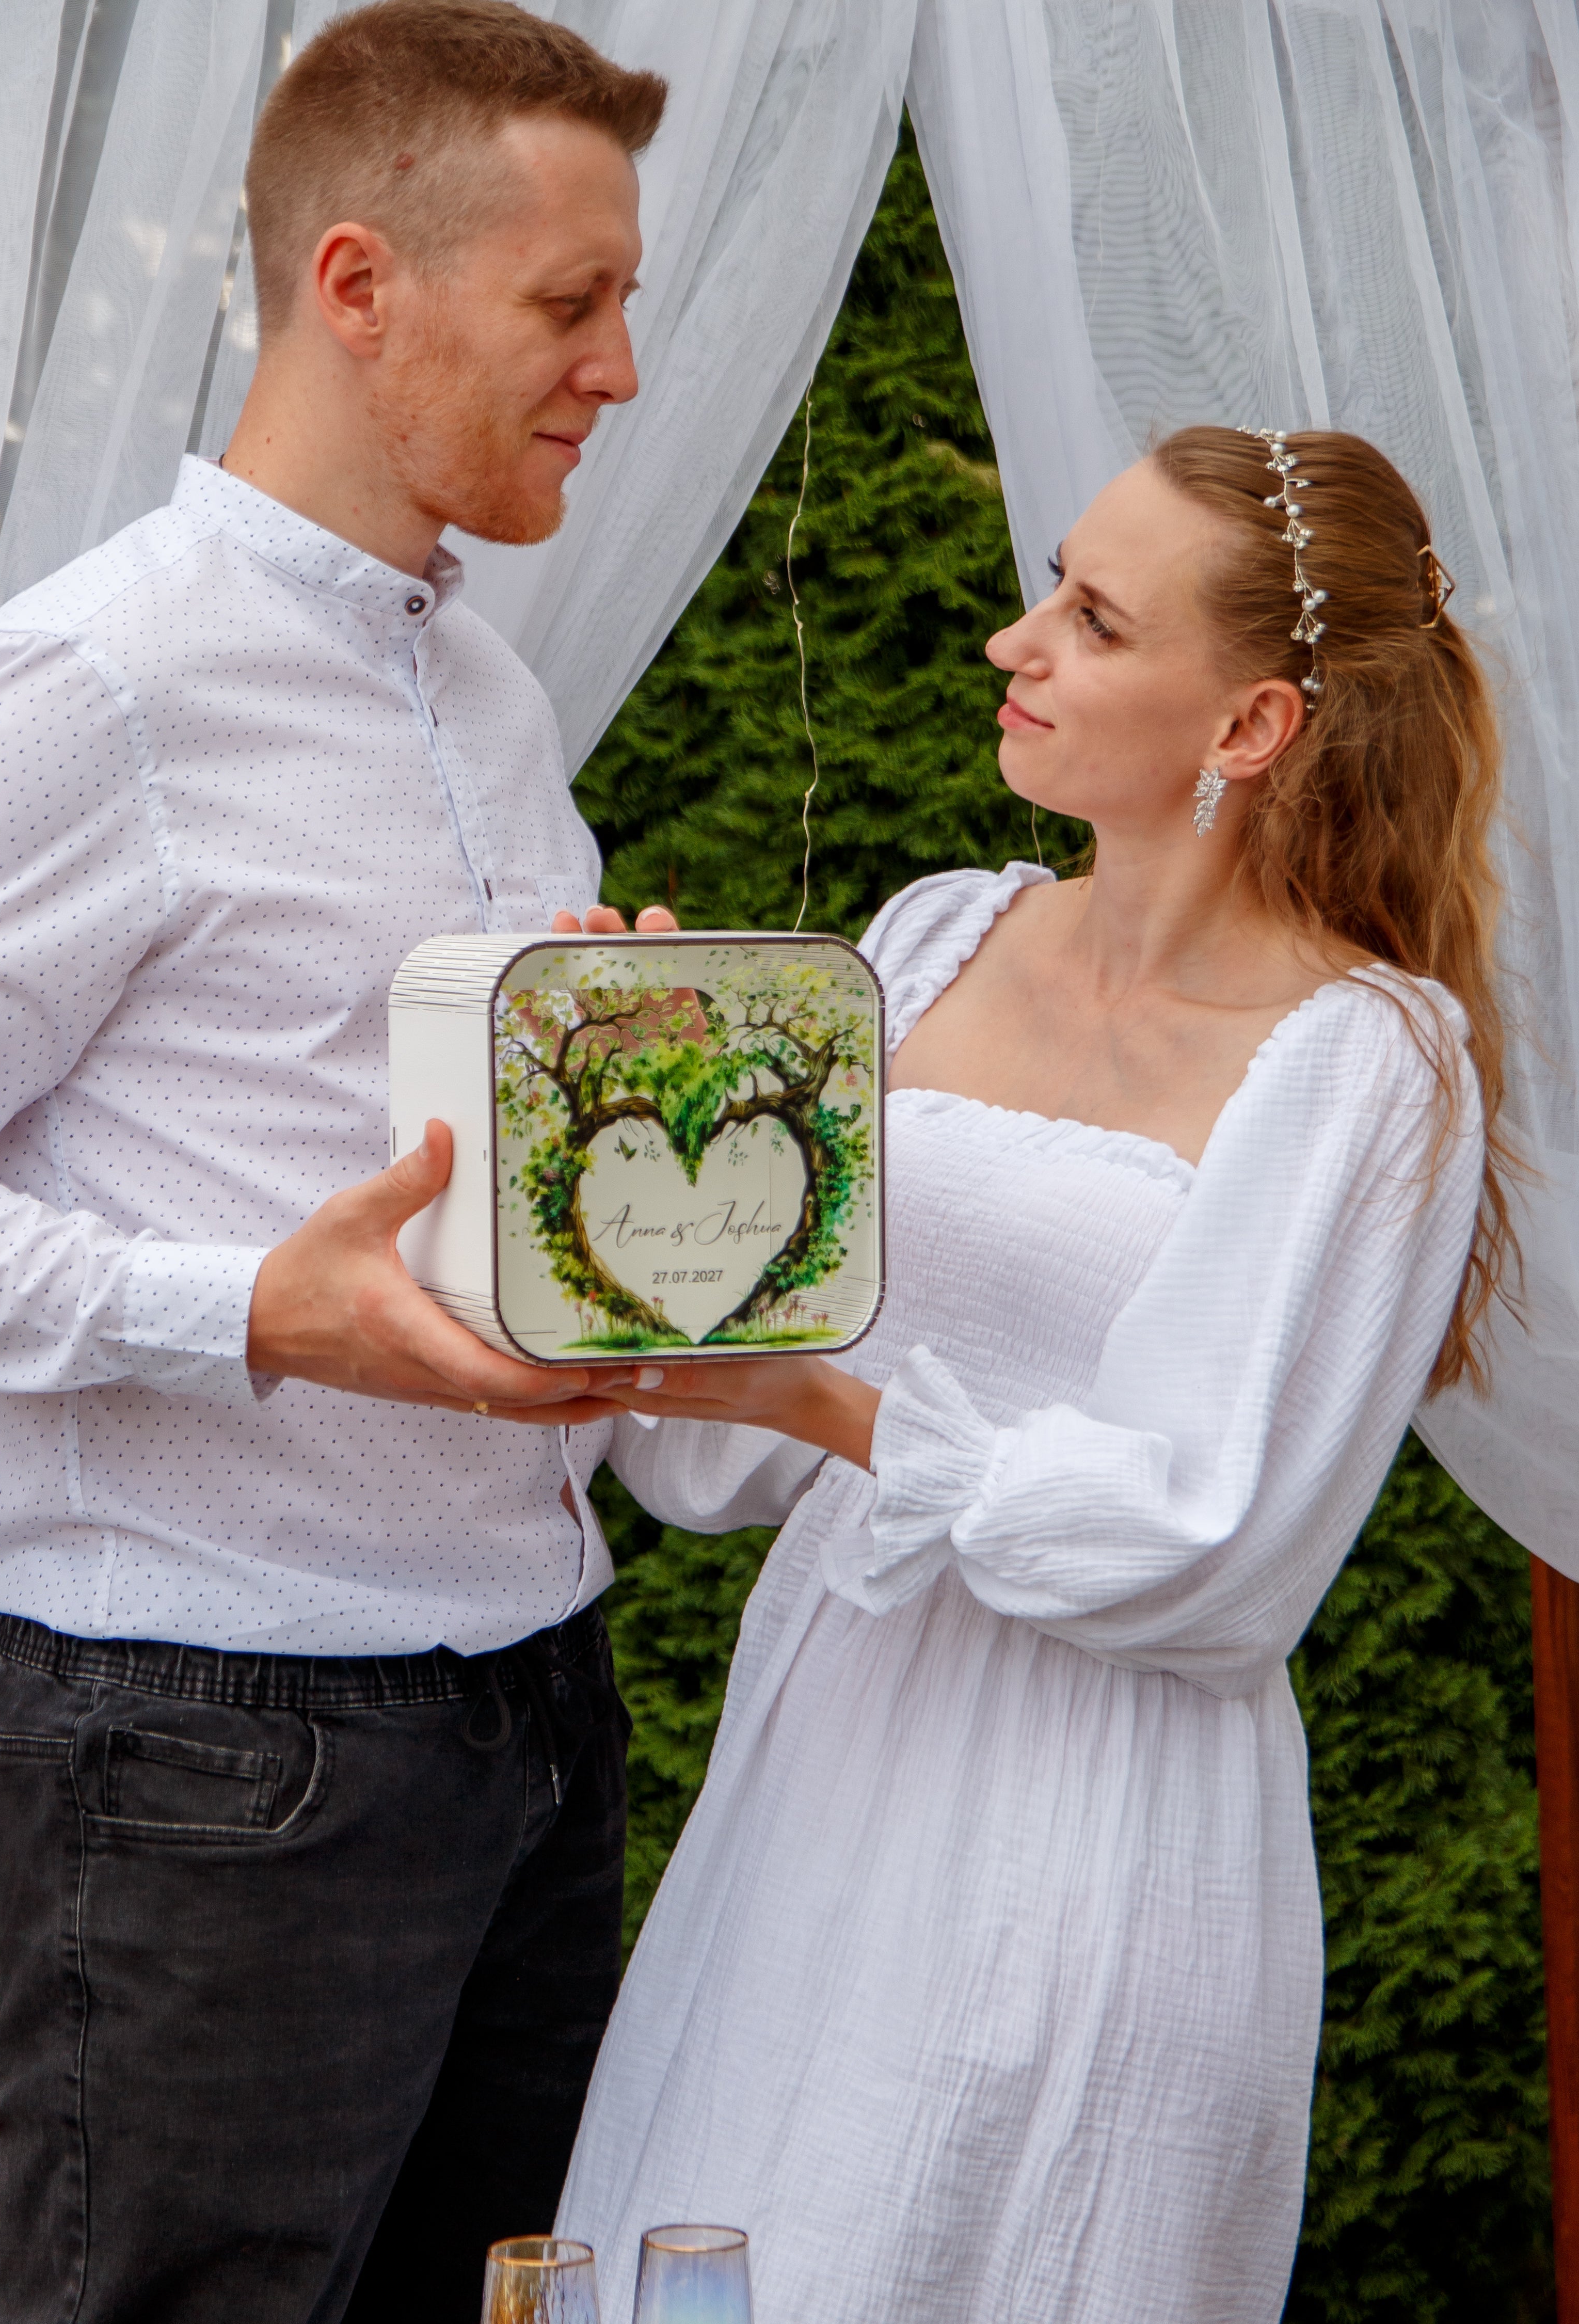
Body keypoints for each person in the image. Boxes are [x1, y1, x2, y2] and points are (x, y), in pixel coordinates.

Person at [0, 6, 673, 2318]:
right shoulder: (86, 687)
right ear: (358, 284)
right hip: (212, 1752)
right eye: (573, 300)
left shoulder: (493, 694)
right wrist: (248, 1303)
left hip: (535, 1705)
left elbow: (429, 1157)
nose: (624, 369)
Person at [560, 426, 1512, 2323]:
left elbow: (1214, 1553)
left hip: (1095, 1824)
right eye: (1047, 589)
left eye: (1088, 617)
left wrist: (842, 1412)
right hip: (821, 1763)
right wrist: (621, 1125)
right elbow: (711, 1456)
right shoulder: (929, 937)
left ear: (1245, 727)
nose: (1013, 643)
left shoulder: (1367, 1064)